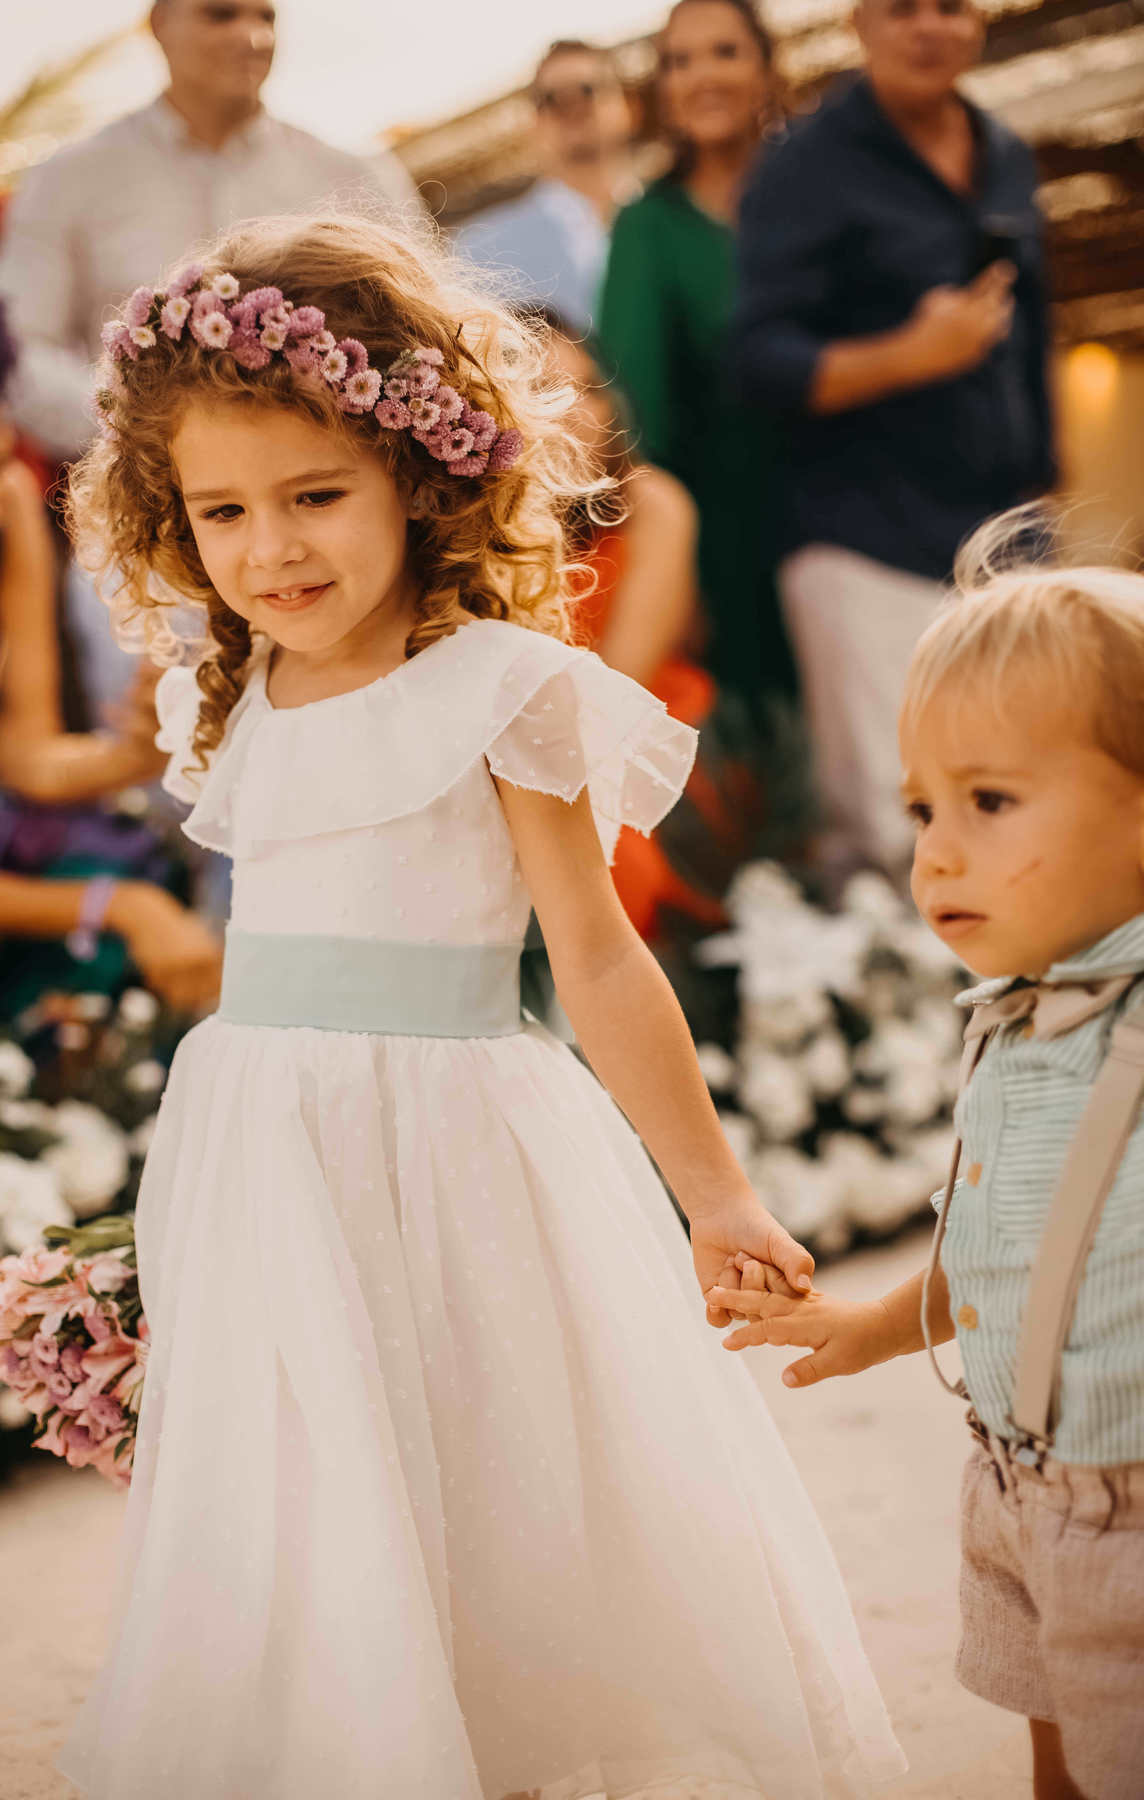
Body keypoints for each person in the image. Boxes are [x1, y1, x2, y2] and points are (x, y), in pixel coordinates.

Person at [55, 211, 905, 1799]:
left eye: (316, 496)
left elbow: (598, 956)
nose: (271, 549)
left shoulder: (505, 691)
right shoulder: (223, 700)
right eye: (223, 511)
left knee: (483, 1477)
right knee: (313, 1493)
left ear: (418, 475)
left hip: (453, 1141)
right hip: (262, 1146)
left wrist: (715, 1195)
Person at [711, 517, 1144, 1800]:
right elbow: (1002, 1244)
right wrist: (876, 1326)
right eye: (922, 808)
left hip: (1134, 1498)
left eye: (990, 801)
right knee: (1057, 1751)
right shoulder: (1012, 1019)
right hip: (1013, 1483)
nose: (937, 850)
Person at [733, 0, 1055, 876]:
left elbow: (1031, 333)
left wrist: (1044, 488)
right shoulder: (805, 165)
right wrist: (909, 354)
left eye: (950, 6)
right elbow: (758, 363)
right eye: (902, 7)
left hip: (1002, 538)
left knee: (1024, 793)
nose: (928, 28)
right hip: (860, 537)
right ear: (860, 21)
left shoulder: (1005, 153)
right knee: (894, 826)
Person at [0, 261, 221, 1018]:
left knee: (146, 864)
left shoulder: (7, 510)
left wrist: (135, 753)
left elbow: (23, 753)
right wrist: (114, 906)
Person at [0, 0, 418, 463]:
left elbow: (422, 329)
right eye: (221, 15)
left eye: (266, 17)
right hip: (151, 487)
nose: (254, 37)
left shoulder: (355, 174)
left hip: (349, 468)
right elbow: (13, 349)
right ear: (160, 23)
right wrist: (145, 431)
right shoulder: (66, 181)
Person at [598, 0, 799, 761]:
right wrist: (669, 569)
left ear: (768, 68)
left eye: (724, 52)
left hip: (851, 519)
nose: (701, 76)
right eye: (679, 61)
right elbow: (633, 409)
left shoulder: (816, 203)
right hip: (721, 545)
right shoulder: (648, 225)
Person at [544, 316, 758, 941]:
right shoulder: (481, 525)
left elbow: (619, 683)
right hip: (532, 748)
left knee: (606, 865)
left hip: (644, 736)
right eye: (548, 392)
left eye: (588, 390)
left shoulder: (652, 502)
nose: (576, 412)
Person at [455, 40, 635, 334]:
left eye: (587, 90)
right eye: (551, 99)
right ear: (535, 122)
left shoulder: (677, 216)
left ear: (626, 105)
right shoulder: (481, 257)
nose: (572, 107)